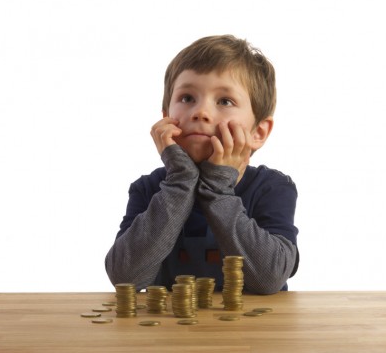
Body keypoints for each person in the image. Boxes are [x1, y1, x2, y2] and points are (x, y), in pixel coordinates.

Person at [105, 35, 299, 295]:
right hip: (169, 334)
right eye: (187, 98)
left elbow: (269, 278)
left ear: (259, 132)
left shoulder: (273, 188)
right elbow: (124, 278)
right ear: (166, 119)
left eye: (224, 101)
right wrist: (180, 180)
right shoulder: (147, 188)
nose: (201, 112)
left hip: (253, 335)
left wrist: (218, 188)